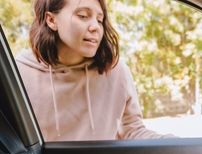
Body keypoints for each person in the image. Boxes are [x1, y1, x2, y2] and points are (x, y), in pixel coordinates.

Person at [16, 0, 171, 141]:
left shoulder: (115, 71)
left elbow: (131, 131)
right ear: (51, 20)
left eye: (99, 19)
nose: (95, 27)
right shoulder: (19, 75)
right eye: (83, 16)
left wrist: (173, 143)